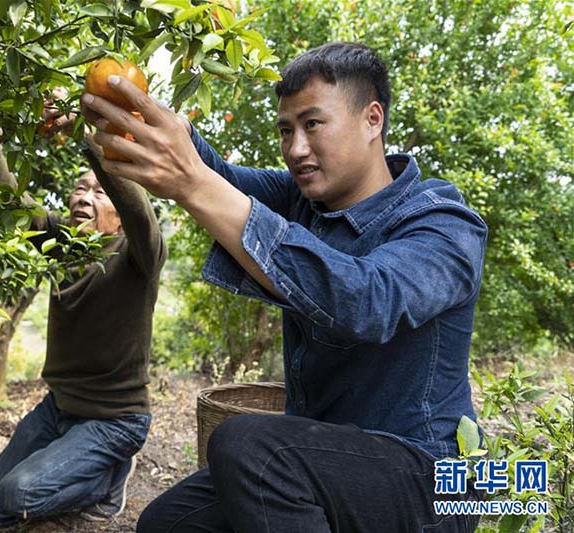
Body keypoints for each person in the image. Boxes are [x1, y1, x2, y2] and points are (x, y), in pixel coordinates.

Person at [81, 42, 487, 532]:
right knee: (170, 522)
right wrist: (132, 111)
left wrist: (193, 185)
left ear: (372, 119)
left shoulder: (444, 223)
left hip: (437, 482)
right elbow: (215, 177)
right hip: (320, 468)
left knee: (248, 446)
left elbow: (369, 299)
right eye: (285, 130)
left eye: (313, 124)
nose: (296, 148)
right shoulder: (303, 202)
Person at [0, 111, 167, 526]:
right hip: (59, 408)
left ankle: (107, 482)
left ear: (118, 213)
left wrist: (85, 133)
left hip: (117, 420)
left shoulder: (139, 255)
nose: (83, 198)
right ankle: (77, 462)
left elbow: (135, 203)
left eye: (99, 192)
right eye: (79, 189)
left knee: (18, 493)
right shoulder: (61, 244)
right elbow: (6, 195)